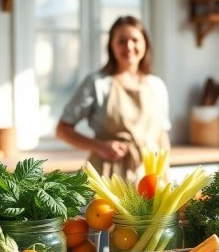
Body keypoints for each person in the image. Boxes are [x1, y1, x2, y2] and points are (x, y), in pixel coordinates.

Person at [56, 16, 171, 180]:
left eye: (135, 40)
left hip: (149, 176)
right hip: (108, 177)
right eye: (122, 41)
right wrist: (101, 147)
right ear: (111, 45)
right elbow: (62, 130)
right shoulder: (97, 83)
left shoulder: (157, 85)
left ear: (145, 43)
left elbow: (162, 136)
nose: (129, 46)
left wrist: (165, 177)